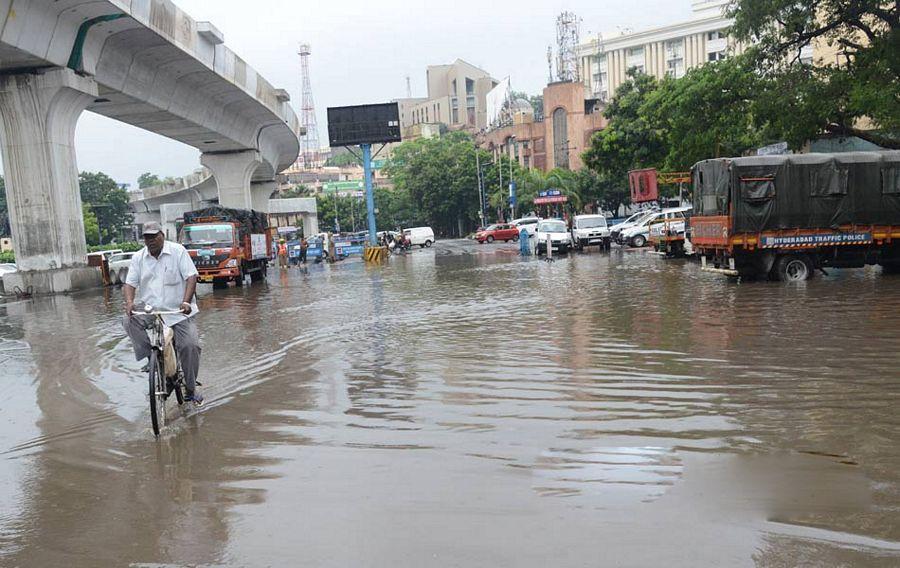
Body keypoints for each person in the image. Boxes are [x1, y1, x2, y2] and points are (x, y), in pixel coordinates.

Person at [123, 222, 204, 405]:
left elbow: (191, 277)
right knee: (128, 321)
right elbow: (130, 284)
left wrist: (186, 301)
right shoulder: (138, 258)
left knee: (189, 345)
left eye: (154, 236)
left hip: (178, 312)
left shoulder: (178, 251)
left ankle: (191, 389)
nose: (150, 241)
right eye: (147, 237)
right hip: (152, 311)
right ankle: (152, 360)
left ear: (162, 235)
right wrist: (129, 303)